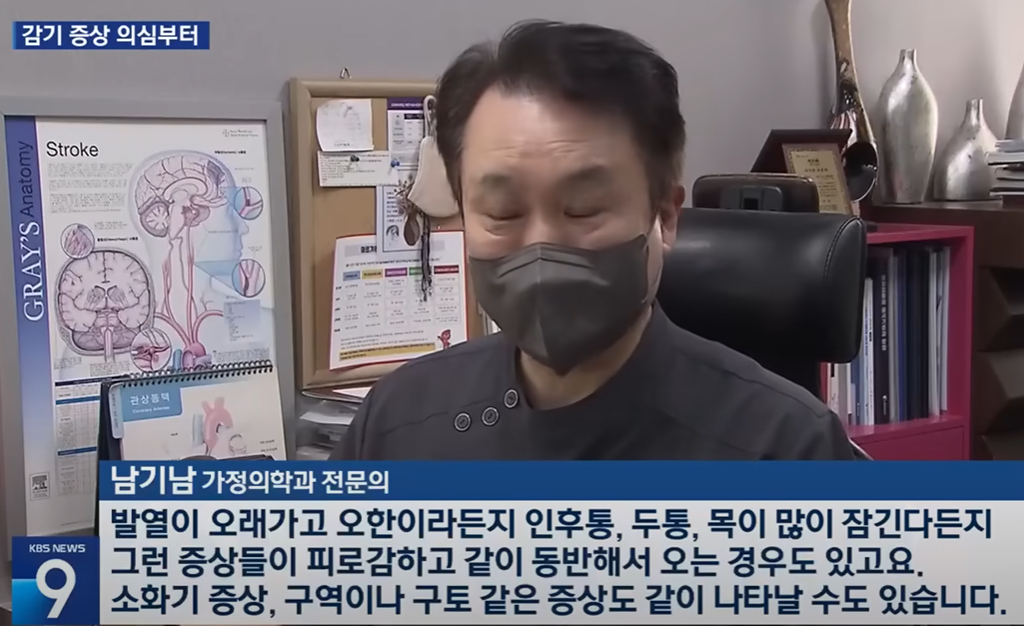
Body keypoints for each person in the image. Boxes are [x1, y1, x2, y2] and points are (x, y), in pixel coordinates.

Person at [331, 20, 857, 461]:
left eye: (583, 208)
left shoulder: (787, 449)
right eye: (503, 212)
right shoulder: (394, 426)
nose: (540, 246)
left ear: (665, 215)